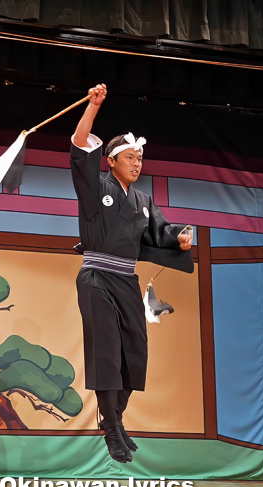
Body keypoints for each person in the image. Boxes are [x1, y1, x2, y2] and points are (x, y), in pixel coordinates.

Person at [70, 84, 193, 462]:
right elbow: (79, 145)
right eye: (130, 157)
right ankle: (109, 426)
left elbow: (160, 231)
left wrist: (180, 237)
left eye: (140, 157)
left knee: (132, 354)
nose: (137, 163)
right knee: (106, 352)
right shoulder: (96, 188)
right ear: (111, 161)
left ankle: (117, 420)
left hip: (127, 280)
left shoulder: (142, 200)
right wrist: (93, 107)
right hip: (96, 278)